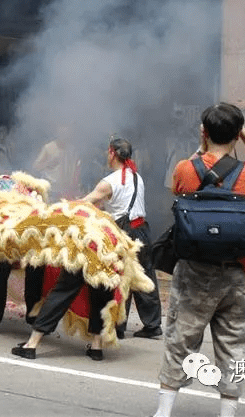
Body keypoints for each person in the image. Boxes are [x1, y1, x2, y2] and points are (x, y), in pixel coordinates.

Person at [152, 103, 245, 417]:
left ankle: (164, 412)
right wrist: (244, 133)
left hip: (194, 270)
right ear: (236, 135)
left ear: (204, 133)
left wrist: (203, 143)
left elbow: (182, 185)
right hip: (237, 272)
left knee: (180, 339)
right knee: (234, 347)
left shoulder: (184, 169)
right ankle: (227, 413)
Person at [82, 136, 163, 339]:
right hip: (142, 230)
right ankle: (153, 325)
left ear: (112, 153)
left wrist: (67, 205)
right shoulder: (137, 177)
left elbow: (87, 202)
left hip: (124, 233)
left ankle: (118, 326)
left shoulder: (108, 182)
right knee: (144, 276)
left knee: (119, 278)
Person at [10, 269, 114, 361]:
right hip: (109, 253)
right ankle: (97, 347)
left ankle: (31, 344)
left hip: (85, 251)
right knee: (101, 296)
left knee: (62, 292)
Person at [33, 126, 81, 200]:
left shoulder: (71, 150)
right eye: (62, 133)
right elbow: (36, 167)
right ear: (57, 134)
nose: (64, 136)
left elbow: (75, 169)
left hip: (66, 191)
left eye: (66, 134)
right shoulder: (48, 148)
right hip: (51, 190)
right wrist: (48, 163)